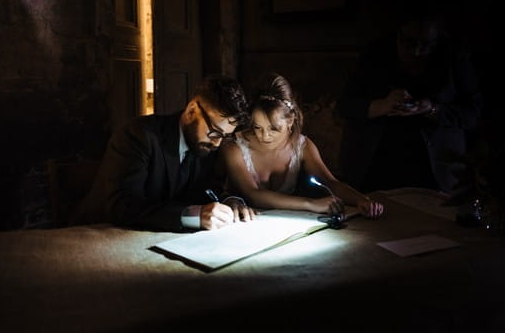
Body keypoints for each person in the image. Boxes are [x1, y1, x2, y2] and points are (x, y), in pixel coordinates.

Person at [71, 75, 256, 231]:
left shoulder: (207, 143)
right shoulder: (138, 135)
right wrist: (192, 216)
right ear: (192, 111)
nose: (217, 142)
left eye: (225, 136)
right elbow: (121, 206)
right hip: (98, 235)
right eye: (215, 132)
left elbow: (206, 189)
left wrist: (229, 200)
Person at [336, 2, 483, 194]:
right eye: (409, 43)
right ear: (398, 34)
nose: (417, 52)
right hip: (374, 165)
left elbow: (473, 112)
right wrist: (381, 106)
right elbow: (345, 105)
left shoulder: (453, 58)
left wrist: (432, 109)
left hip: (435, 170)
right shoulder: (374, 55)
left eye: (426, 45)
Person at [219, 73, 384, 219]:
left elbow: (330, 182)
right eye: (257, 127)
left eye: (274, 128)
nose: (264, 136)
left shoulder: (302, 146)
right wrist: (310, 204)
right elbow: (253, 195)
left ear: (290, 121)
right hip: (243, 224)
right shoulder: (234, 147)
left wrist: (361, 200)